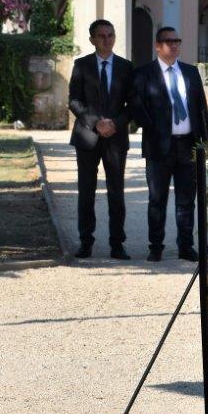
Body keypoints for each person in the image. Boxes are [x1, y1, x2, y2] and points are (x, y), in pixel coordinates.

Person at [130, 26, 208, 262]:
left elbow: (201, 108)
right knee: (157, 199)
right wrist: (154, 128)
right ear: (157, 45)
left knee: (187, 200)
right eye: (168, 41)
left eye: (177, 40)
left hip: (188, 146)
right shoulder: (144, 73)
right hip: (159, 147)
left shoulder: (191, 73)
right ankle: (156, 246)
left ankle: (186, 246)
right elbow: (136, 106)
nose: (174, 45)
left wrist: (205, 145)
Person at [67, 19, 132, 260]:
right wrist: (95, 122)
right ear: (92, 39)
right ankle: (86, 241)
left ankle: (118, 244)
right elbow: (74, 100)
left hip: (115, 137)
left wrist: (114, 123)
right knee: (86, 191)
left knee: (116, 191)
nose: (106, 39)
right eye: (101, 36)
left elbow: (132, 104)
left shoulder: (126, 67)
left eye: (110, 35)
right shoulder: (81, 65)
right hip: (87, 137)